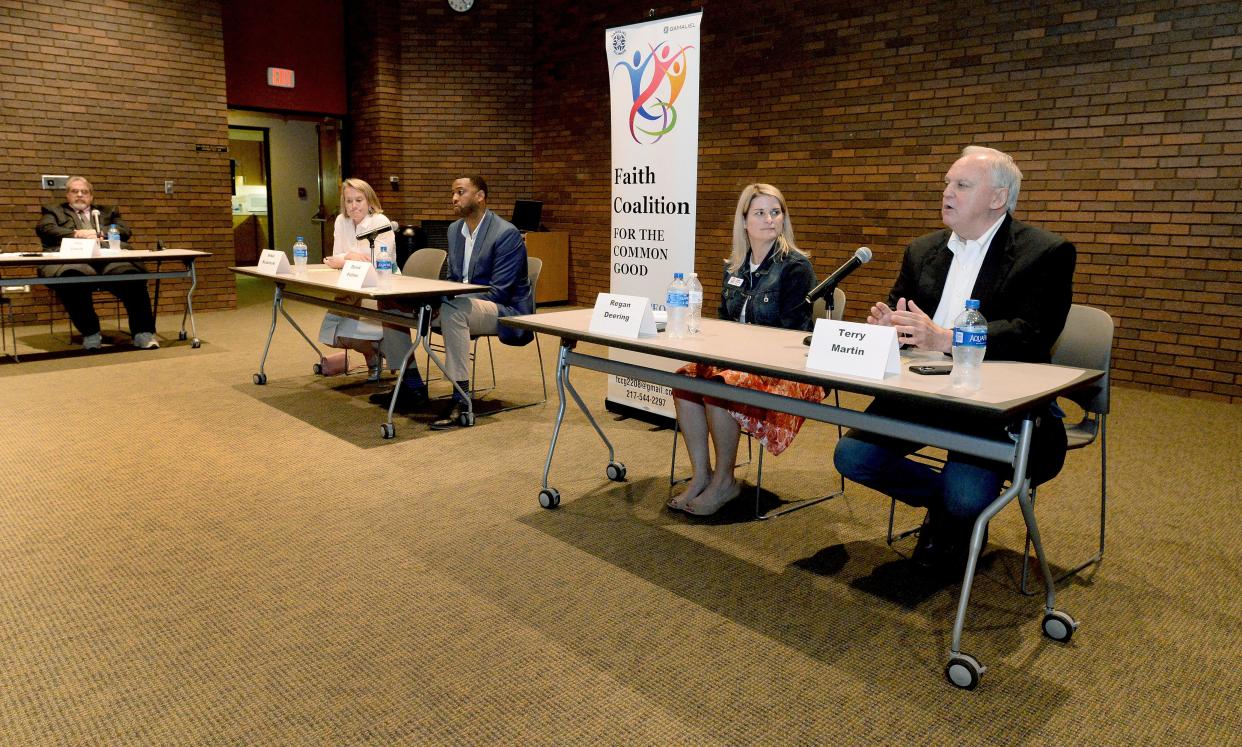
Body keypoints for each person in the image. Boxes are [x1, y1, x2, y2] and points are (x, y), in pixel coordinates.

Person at [833, 145, 1076, 574]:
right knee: (851, 457)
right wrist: (891, 325)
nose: (947, 192)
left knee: (965, 495)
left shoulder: (1044, 253)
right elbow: (903, 314)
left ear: (997, 198)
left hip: (995, 407)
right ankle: (951, 510)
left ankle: (956, 515)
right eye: (947, 183)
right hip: (922, 393)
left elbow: (1031, 334)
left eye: (961, 185)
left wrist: (947, 338)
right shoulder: (923, 250)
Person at [668, 183, 825, 517]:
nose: (770, 219)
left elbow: (794, 335)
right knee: (684, 382)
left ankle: (725, 481)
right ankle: (702, 475)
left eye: (776, 211)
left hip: (782, 367)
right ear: (744, 221)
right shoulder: (734, 266)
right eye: (760, 213)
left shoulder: (795, 267)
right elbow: (723, 320)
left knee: (718, 386)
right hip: (735, 361)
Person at [372, 175, 534, 428]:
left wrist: (448, 299)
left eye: (460, 192)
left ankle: (461, 398)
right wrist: (438, 296)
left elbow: (500, 292)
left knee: (452, 310)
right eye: (453, 193)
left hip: (503, 309)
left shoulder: (506, 234)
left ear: (480, 196)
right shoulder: (454, 230)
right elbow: (453, 279)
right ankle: (412, 385)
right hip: (460, 305)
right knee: (389, 303)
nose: (454, 198)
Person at [34, 176, 159, 350]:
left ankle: (143, 333)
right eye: (74, 191)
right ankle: (91, 333)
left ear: (91, 196)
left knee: (133, 277)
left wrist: (99, 233)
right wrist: (77, 234)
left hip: (108, 257)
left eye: (84, 192)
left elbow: (125, 230)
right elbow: (45, 229)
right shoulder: (53, 211)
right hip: (73, 259)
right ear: (67, 195)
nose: (79, 195)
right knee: (72, 279)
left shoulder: (108, 211)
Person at [319, 178, 395, 381]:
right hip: (350, 284)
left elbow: (376, 263)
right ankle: (376, 351)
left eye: (358, 200)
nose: (353, 206)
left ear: (369, 201)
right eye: (349, 200)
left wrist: (347, 258)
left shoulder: (381, 222)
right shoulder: (341, 221)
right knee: (330, 333)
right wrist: (350, 257)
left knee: (348, 330)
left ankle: (375, 355)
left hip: (379, 288)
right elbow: (337, 258)